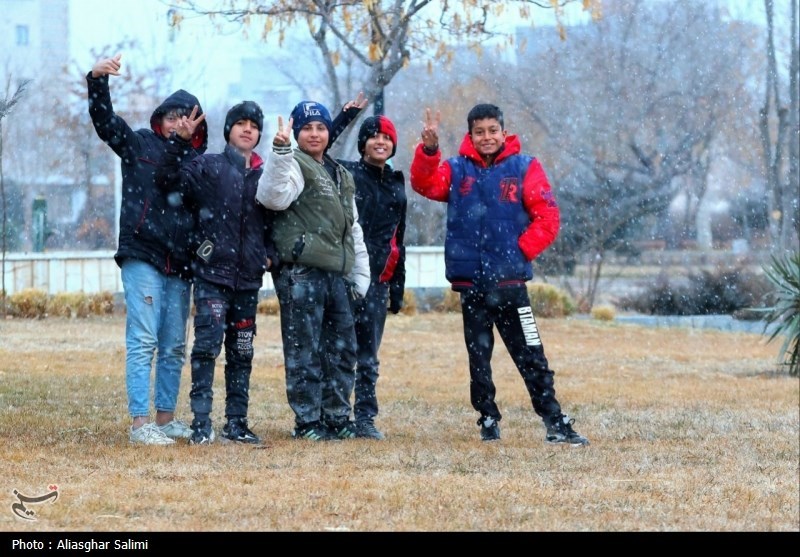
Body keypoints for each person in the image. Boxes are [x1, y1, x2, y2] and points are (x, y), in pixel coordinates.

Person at [409, 103, 589, 446]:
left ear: (503, 132)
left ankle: (554, 421)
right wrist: (429, 151)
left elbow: (548, 218)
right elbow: (425, 184)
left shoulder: (525, 167)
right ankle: (488, 419)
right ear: (470, 135)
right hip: (472, 284)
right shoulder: (456, 169)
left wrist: (517, 254)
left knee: (531, 353)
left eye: (492, 130)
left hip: (510, 285)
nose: (486, 137)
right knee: (479, 357)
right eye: (479, 132)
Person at [87, 53, 208, 445]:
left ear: (197, 125)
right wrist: (97, 81)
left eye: (185, 117)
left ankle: (166, 418)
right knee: (143, 340)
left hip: (181, 263)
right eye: (171, 117)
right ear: (160, 120)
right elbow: (106, 124)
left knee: (174, 345)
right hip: (143, 254)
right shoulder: (138, 143)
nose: (177, 123)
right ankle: (140, 424)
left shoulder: (198, 164)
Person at [156, 100, 278, 445]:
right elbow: (168, 182)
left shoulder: (265, 174)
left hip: (249, 281)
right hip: (212, 277)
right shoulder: (207, 166)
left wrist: (271, 256)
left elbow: (275, 222)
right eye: (240, 123)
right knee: (206, 349)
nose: (247, 129)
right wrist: (178, 141)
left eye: (254, 124)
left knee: (242, 352)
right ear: (228, 130)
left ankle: (237, 422)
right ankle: (201, 424)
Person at [257, 100, 370, 441]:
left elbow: (354, 230)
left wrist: (360, 278)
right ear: (296, 132)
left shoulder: (340, 173)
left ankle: (337, 418)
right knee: (304, 351)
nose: (315, 133)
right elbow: (273, 197)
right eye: (307, 128)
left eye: (321, 127)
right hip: (301, 273)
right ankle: (308, 422)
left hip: (337, 275)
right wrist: (280, 152)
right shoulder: (293, 164)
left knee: (342, 350)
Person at [337, 115, 407, 440]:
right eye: (374, 136)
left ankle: (365, 418)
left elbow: (399, 238)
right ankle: (335, 415)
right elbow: (320, 151)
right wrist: (344, 117)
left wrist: (398, 287)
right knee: (340, 350)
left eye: (387, 138)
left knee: (369, 356)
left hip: (380, 281)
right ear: (363, 143)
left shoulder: (396, 184)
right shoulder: (347, 174)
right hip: (347, 277)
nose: (381, 142)